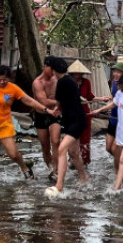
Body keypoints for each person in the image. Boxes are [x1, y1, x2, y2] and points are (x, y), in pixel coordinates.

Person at [48, 57, 89, 192]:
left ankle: (59, 185)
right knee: (73, 152)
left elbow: (59, 101)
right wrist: (58, 110)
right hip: (73, 119)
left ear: (54, 70)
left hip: (75, 121)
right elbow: (65, 101)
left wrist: (56, 110)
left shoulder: (62, 82)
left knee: (62, 149)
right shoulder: (71, 81)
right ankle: (83, 176)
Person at [68, 59, 111, 165]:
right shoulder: (67, 83)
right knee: (72, 138)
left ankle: (85, 161)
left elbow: (90, 97)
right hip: (72, 113)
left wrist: (102, 98)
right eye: (77, 73)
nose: (79, 74)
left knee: (85, 137)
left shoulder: (86, 82)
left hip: (85, 112)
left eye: (81, 72)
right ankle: (73, 159)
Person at [32, 56, 62, 182]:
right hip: (41, 114)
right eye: (52, 69)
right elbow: (43, 101)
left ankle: (56, 170)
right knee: (45, 144)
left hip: (55, 114)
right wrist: (61, 101)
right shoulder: (37, 82)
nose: (53, 72)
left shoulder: (57, 79)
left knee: (55, 141)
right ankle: (49, 167)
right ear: (45, 66)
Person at [105, 62, 123, 171]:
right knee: (108, 148)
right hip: (113, 119)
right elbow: (114, 99)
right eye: (115, 71)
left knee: (115, 149)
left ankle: (120, 172)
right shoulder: (114, 83)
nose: (115, 74)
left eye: (118, 72)